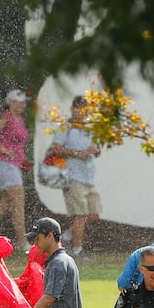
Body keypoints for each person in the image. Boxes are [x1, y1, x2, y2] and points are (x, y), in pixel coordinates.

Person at [48, 95, 101, 256]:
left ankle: (66, 236)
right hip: (72, 177)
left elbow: (96, 150)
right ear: (72, 109)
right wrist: (78, 153)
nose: (83, 112)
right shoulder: (66, 127)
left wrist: (96, 150)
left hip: (88, 179)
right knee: (81, 214)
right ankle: (77, 250)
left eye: (85, 109)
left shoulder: (89, 128)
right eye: (79, 108)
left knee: (93, 214)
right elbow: (56, 148)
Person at [0, 89, 30, 248]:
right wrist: (3, 149)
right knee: (18, 202)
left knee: (4, 207)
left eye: (24, 102)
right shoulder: (7, 118)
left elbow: (17, 144)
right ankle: (23, 242)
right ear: (10, 103)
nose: (23, 104)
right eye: (19, 101)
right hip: (6, 166)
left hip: (14, 166)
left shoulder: (19, 119)